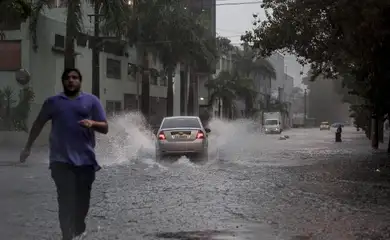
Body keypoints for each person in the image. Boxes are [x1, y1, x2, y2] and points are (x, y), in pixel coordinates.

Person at [19, 68, 108, 240]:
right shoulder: (53, 102)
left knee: (82, 204)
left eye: (74, 78)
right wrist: (28, 147)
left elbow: (105, 127)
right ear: (63, 82)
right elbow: (38, 124)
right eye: (67, 78)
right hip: (60, 161)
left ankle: (78, 229)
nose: (71, 80)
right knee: (65, 200)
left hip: (86, 162)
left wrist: (92, 123)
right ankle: (66, 236)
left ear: (80, 81)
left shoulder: (91, 101)